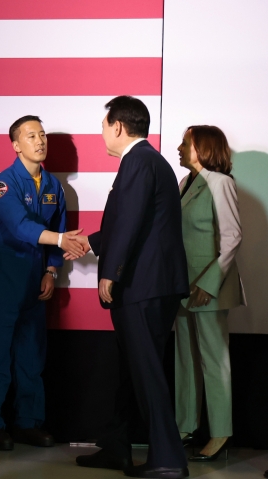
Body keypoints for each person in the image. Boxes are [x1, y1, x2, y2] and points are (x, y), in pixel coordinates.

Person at [71, 96, 190, 479]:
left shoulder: (137, 161)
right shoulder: (148, 161)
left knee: (148, 373)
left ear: (119, 126)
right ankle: (117, 448)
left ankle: (169, 460)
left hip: (143, 286)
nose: (102, 132)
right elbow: (129, 221)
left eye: (104, 125)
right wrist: (90, 243)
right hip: (153, 285)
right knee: (129, 370)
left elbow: (130, 224)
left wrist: (111, 273)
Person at [0, 115, 83, 451]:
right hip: (2, 282)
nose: (39, 141)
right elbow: (22, 227)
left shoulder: (53, 185)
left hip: (34, 283)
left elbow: (58, 226)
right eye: (31, 136)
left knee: (31, 356)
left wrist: (51, 272)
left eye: (42, 135)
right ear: (15, 145)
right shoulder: (3, 185)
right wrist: (62, 240)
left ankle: (28, 423)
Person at [174, 125, 244, 461]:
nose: (178, 147)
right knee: (185, 358)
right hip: (182, 287)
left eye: (185, 142)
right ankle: (184, 426)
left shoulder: (221, 183)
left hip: (208, 288)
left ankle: (220, 433)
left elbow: (231, 238)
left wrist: (207, 283)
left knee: (214, 361)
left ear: (202, 148)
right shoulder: (184, 183)